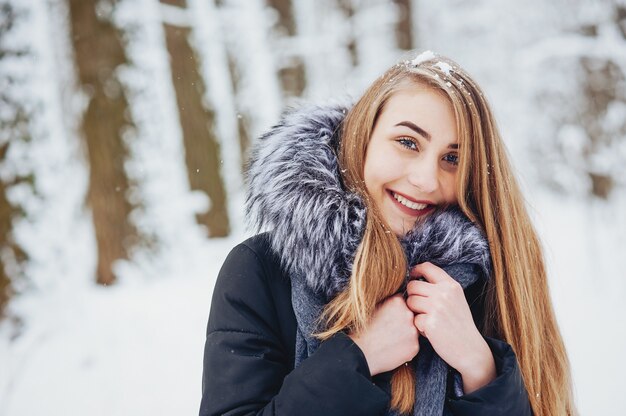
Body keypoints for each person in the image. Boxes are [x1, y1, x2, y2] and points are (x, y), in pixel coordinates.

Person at [199, 51, 576, 416]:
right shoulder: (262, 271)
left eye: (452, 159)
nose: (426, 180)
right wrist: (357, 359)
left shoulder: (487, 279)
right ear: (361, 137)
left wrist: (479, 367)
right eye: (408, 142)